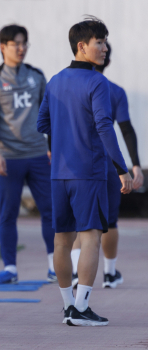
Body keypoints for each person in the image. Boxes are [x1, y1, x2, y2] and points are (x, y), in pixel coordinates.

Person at [37, 17, 132, 326]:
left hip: (58, 175)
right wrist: (122, 168)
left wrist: (61, 141)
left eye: (104, 42)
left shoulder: (55, 81)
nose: (104, 48)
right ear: (82, 46)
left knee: (62, 242)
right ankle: (82, 308)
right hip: (88, 172)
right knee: (91, 238)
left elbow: (42, 124)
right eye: (99, 42)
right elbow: (105, 126)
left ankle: (68, 307)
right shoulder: (97, 82)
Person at [0, 25, 55, 284]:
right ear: (3, 47)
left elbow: (50, 116)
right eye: (15, 43)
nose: (21, 48)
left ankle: (55, 265)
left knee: (51, 210)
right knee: (8, 213)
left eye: (24, 43)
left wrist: (52, 147)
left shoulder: (36, 76)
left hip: (38, 155)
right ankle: (10, 268)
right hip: (9, 157)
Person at [69, 42, 143, 289]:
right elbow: (126, 129)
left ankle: (78, 274)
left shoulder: (66, 83)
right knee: (108, 221)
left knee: (81, 223)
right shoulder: (113, 90)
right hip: (105, 162)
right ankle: (109, 273)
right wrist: (135, 165)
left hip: (73, 163)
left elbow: (52, 122)